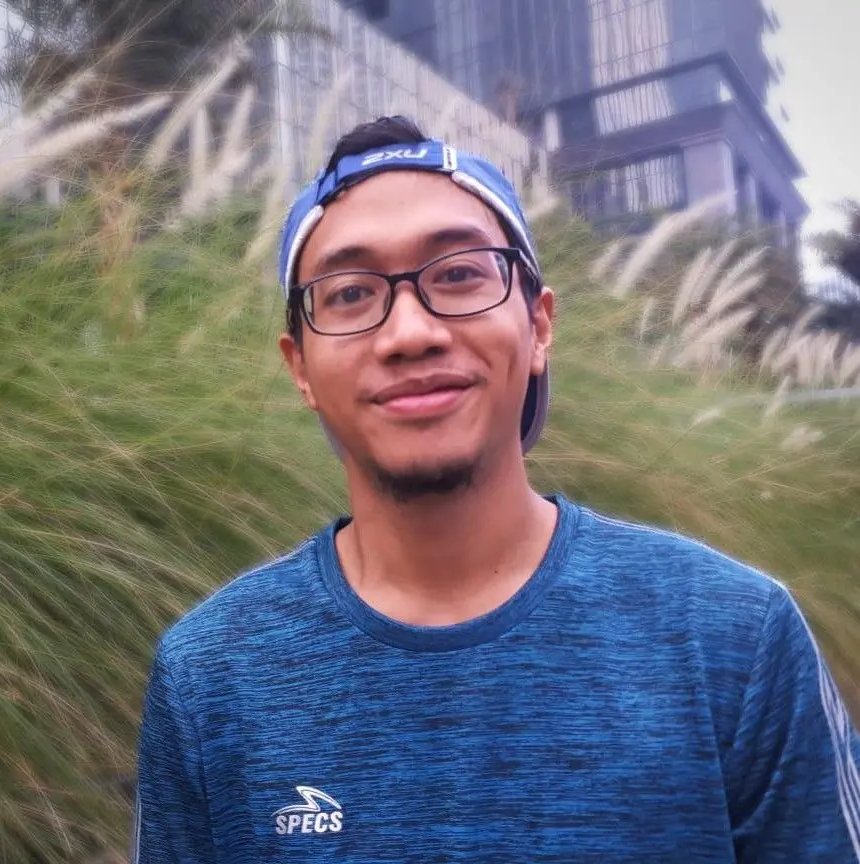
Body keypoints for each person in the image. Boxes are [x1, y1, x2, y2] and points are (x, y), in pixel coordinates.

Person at [133, 115, 860, 863]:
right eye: (349, 292)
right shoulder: (211, 677)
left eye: (457, 275)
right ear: (299, 367)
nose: (409, 332)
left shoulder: (734, 638)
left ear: (539, 326)